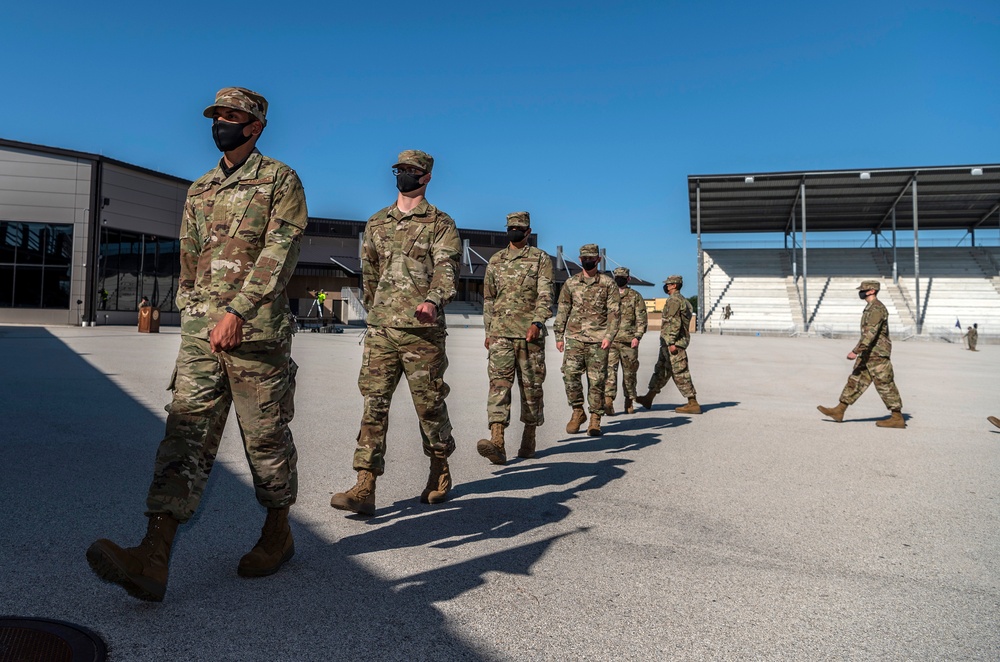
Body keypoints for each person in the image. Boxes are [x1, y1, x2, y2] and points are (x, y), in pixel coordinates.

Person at [86, 87, 308, 601]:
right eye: (217, 116)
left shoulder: (280, 180)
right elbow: (188, 255)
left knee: (266, 440)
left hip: (255, 335)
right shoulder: (201, 187)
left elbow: (281, 252)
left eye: (232, 116)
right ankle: (152, 553)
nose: (221, 124)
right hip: (201, 333)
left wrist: (238, 310)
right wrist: (193, 306)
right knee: (185, 432)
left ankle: (278, 532)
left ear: (255, 125)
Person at [330, 150, 460, 517]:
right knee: (374, 406)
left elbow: (447, 269)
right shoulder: (376, 222)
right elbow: (369, 273)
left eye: (412, 170)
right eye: (400, 169)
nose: (404, 175)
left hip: (423, 333)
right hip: (383, 330)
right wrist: (378, 310)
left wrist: (433, 300)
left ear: (427, 177)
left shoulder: (441, 223)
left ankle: (439, 469)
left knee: (429, 407)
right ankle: (365, 483)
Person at [477, 211, 553, 464]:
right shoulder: (496, 260)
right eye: (511, 227)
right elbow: (488, 298)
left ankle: (529, 435)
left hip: (528, 335)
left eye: (519, 228)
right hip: (500, 333)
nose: (514, 231)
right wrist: (489, 330)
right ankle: (497, 440)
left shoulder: (540, 258)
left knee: (531, 389)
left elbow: (545, 295)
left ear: (528, 231)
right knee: (498, 385)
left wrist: (537, 322)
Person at [818, 280, 906, 428]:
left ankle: (897, 418)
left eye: (863, 290)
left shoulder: (877, 308)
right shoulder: (870, 308)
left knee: (885, 384)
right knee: (855, 381)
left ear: (871, 291)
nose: (861, 292)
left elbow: (871, 333)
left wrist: (855, 351)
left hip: (877, 354)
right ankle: (839, 411)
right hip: (868, 353)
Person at [553, 244, 620, 437]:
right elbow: (563, 309)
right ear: (580, 260)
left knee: (597, 380)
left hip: (599, 340)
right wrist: (559, 336)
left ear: (598, 260)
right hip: (574, 338)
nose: (588, 260)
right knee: (570, 375)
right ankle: (577, 411)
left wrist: (609, 336)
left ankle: (595, 418)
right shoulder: (571, 283)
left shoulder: (608, 284)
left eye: (592, 257)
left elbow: (614, 313)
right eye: (584, 258)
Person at [636, 275, 701, 414]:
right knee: (661, 371)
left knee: (680, 373)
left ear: (674, 285)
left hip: (674, 344)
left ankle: (692, 402)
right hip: (668, 344)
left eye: (668, 284)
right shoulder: (683, 300)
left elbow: (674, 322)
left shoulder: (674, 301)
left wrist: (671, 342)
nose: (666, 286)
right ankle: (649, 397)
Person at [604, 267, 647, 415]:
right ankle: (608, 401)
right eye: (617, 276)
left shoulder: (635, 296)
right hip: (611, 341)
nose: (620, 279)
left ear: (628, 279)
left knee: (629, 373)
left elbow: (641, 318)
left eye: (623, 276)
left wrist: (638, 336)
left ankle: (629, 400)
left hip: (629, 341)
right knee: (609, 372)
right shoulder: (608, 295)